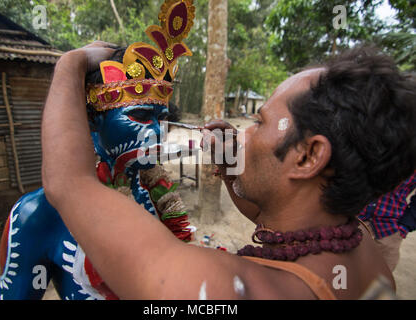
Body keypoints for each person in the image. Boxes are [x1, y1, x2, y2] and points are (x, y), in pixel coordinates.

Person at [41, 41, 416, 299]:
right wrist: (232, 169)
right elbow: (277, 216)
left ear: (307, 157)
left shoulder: (226, 290)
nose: (243, 133)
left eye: (260, 121)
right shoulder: (365, 252)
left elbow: (69, 183)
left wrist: (69, 65)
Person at [0, 0, 195, 300]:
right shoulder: (36, 215)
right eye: (140, 117)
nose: (156, 131)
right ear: (93, 120)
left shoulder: (156, 195)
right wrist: (71, 64)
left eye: (161, 119)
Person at [358, 172, 416, 271]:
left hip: (389, 230)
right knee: (338, 275)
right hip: (353, 219)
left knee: (380, 281)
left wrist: (405, 226)